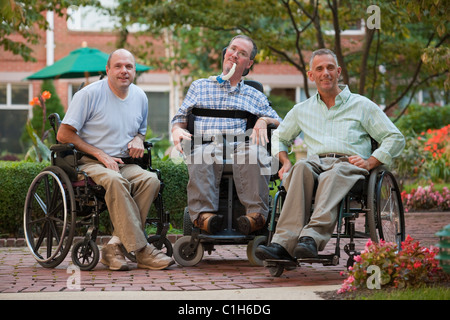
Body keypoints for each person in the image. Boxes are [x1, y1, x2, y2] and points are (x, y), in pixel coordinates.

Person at [255, 48, 405, 261]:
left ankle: (311, 238)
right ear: (311, 75)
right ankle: (282, 244)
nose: (325, 72)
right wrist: (285, 161)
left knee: (334, 173)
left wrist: (371, 161)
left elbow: (395, 137)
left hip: (348, 165)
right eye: (319, 68)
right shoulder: (302, 109)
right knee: (300, 168)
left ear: (338, 72)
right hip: (315, 164)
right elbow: (279, 136)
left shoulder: (362, 105)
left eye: (330, 67)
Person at [57, 48, 174, 271]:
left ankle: (113, 247)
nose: (124, 71)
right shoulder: (89, 95)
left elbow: (140, 131)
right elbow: (63, 134)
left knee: (150, 180)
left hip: (123, 162)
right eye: (118, 66)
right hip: (90, 162)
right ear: (108, 70)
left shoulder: (140, 96)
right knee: (115, 180)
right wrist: (99, 154)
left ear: (134, 71)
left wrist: (139, 139)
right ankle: (142, 250)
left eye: (129, 67)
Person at [171, 35, 282, 235]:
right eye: (233, 49)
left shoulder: (254, 95)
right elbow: (179, 119)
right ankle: (204, 217)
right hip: (207, 144)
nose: (235, 55)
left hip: (241, 145)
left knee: (252, 153)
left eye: (242, 53)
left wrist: (264, 120)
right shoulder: (200, 86)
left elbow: (280, 122)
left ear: (248, 63)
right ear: (225, 53)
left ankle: (256, 217)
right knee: (202, 154)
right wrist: (177, 129)